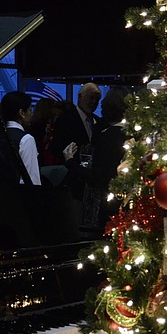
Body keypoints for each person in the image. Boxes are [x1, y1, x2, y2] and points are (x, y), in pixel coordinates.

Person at [63, 86, 129, 232]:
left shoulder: (109, 137)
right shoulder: (132, 135)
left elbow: (98, 177)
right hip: (126, 203)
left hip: (106, 205)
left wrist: (70, 162)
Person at [50, 82, 102, 165]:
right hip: (71, 169)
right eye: (91, 98)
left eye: (97, 100)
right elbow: (56, 148)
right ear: (80, 97)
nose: (94, 102)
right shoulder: (65, 120)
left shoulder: (98, 122)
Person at [0, 90, 42, 185]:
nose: (32, 114)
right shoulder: (26, 139)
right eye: (30, 110)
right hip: (21, 196)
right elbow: (31, 179)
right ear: (21, 112)